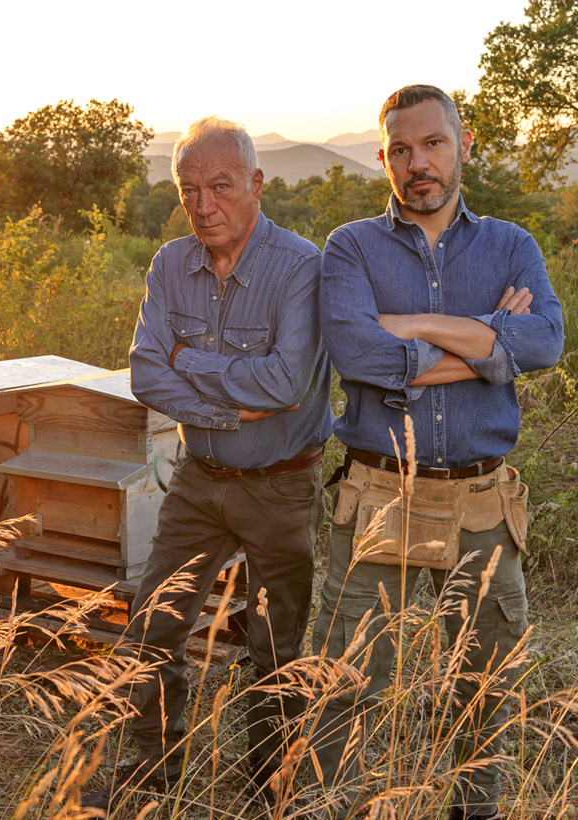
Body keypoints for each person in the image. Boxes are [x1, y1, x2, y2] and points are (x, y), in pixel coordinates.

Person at [312, 85, 564, 820]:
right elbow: (359, 352)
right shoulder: (351, 246)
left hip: (483, 504)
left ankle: (474, 810)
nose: (416, 162)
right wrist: (490, 344)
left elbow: (544, 341)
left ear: (465, 144)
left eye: (432, 144)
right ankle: (337, 808)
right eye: (399, 149)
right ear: (384, 157)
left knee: (486, 686)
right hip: (380, 496)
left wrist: (417, 321)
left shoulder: (511, 246)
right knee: (346, 686)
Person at [84, 117, 333, 811]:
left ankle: (266, 786)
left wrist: (188, 360)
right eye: (189, 189)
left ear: (256, 184)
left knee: (273, 645)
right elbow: (144, 375)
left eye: (220, 186)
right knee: (152, 623)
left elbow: (286, 385)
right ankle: (151, 772)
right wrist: (226, 410)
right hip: (199, 482)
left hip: (282, 486)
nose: (203, 205)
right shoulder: (170, 264)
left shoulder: (300, 267)